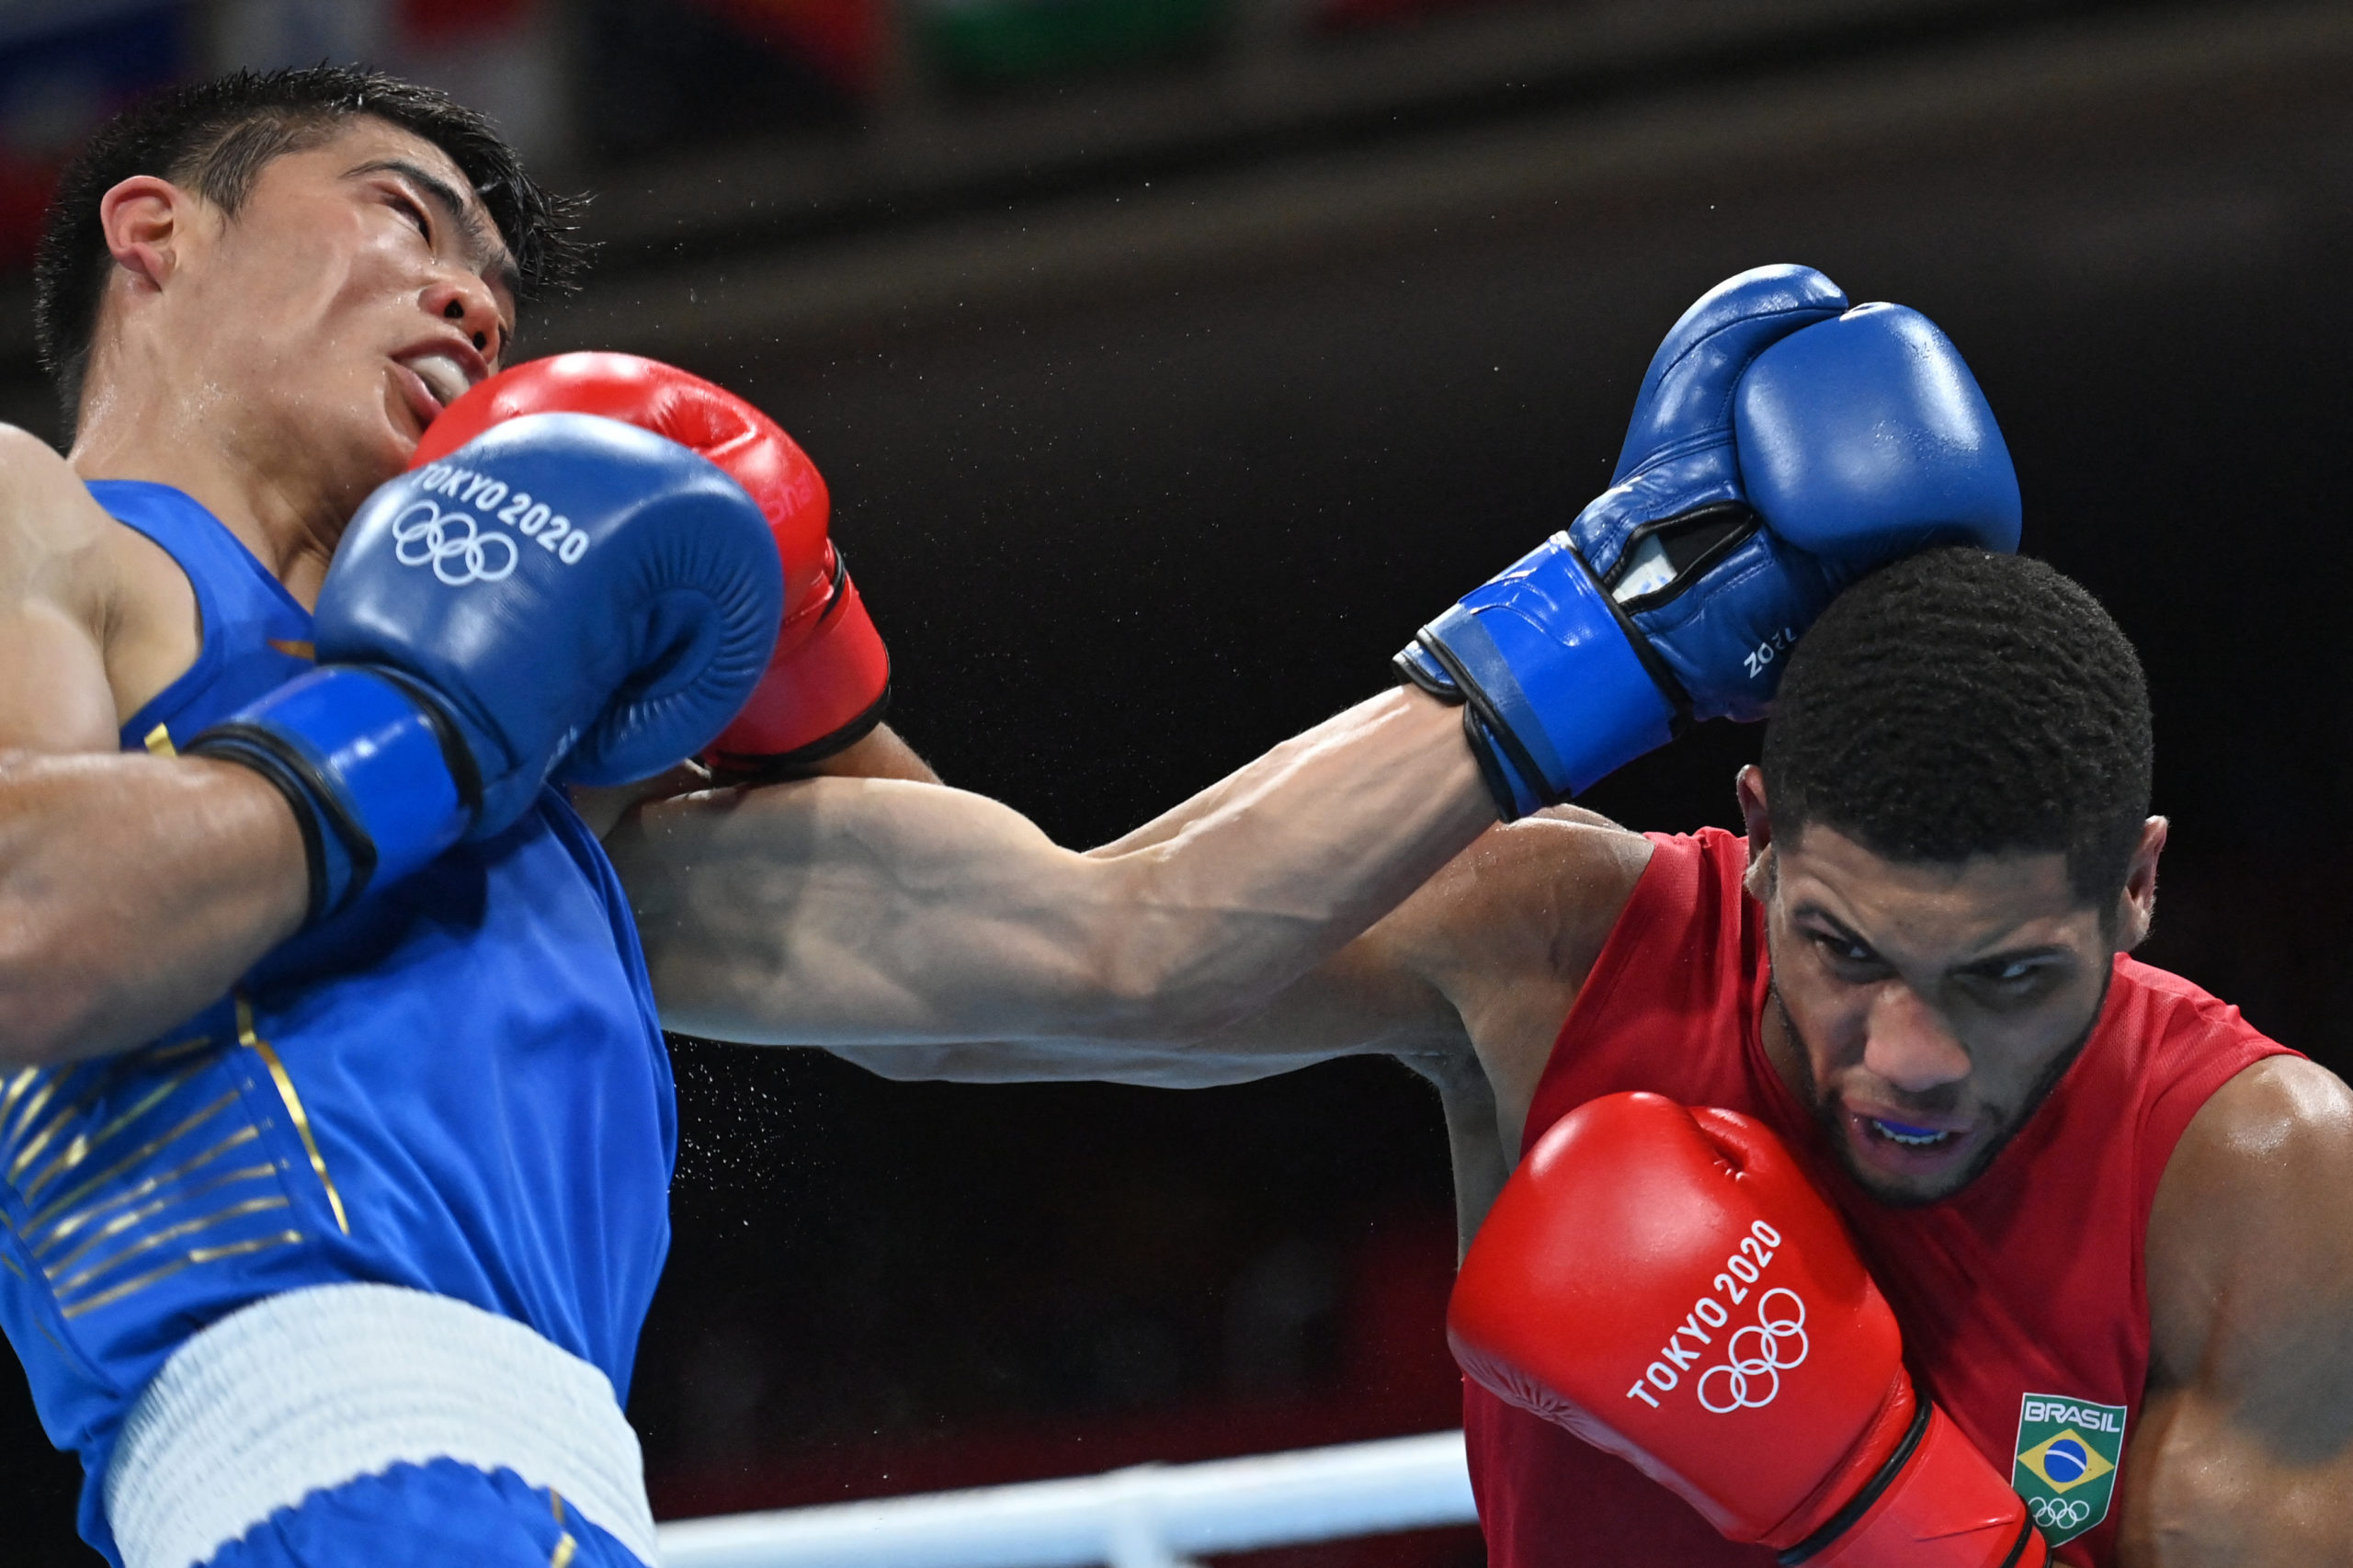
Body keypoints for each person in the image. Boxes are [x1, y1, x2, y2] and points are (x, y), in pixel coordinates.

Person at [0, 62, 2015, 1568]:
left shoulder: (547, 801)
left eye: (498, 278)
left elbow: (1114, 941)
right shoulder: (45, 526)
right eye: (401, 214)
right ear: (156, 232)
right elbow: (29, 922)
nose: (468, 298)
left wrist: (1618, 611)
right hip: (302, 1475)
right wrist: (430, 717)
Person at [875, 548, 2353, 1564]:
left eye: (2009, 975)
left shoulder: (2259, 1181)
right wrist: (799, 678)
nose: (1914, 1056)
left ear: (2138, 889)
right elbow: (982, 998)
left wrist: (1876, 1506)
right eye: (1847, 951)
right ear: (1762, 836)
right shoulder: (1557, 950)